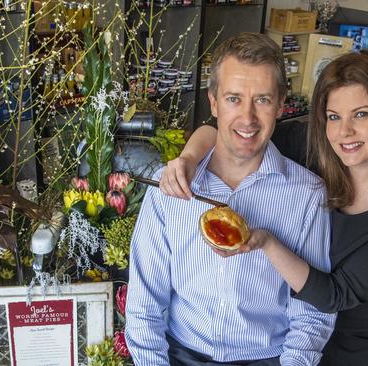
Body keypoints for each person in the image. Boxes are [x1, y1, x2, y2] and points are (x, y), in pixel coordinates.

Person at [160, 47, 368, 366]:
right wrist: (188, 160)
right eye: (334, 116)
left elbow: (337, 294)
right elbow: (229, 132)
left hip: (352, 330)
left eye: (362, 114)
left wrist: (266, 242)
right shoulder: (315, 146)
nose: (344, 132)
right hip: (292, 324)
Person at [125, 33, 336, 366]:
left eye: (262, 100)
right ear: (213, 102)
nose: (248, 118)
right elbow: (144, 302)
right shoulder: (169, 188)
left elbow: (310, 314)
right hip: (181, 353)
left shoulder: (307, 195)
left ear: (281, 103)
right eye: (234, 99)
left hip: (266, 358)